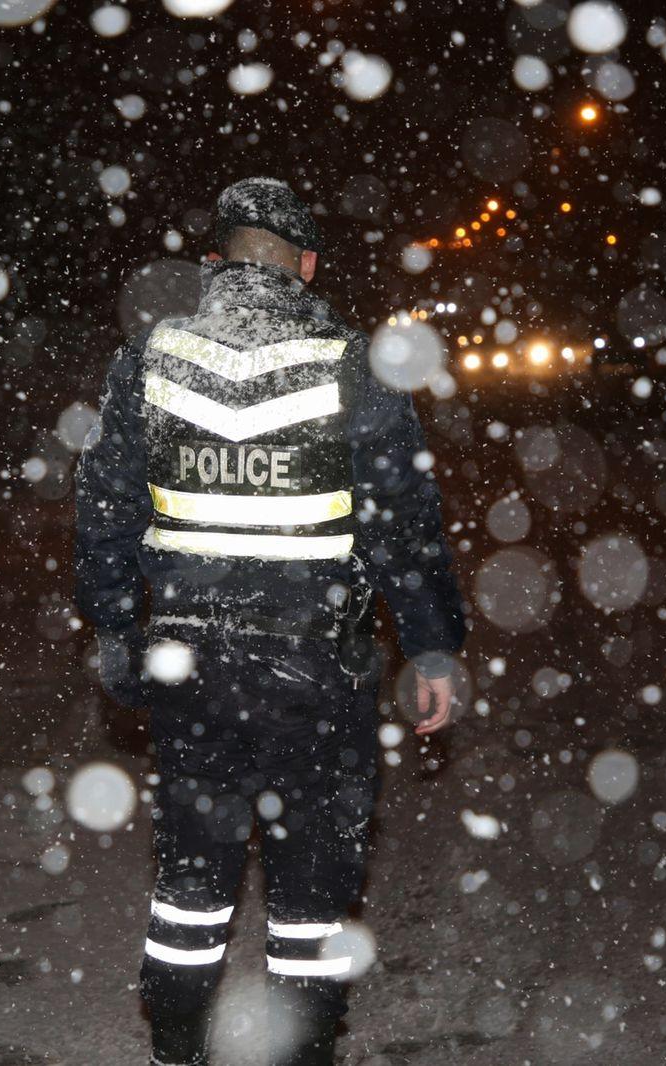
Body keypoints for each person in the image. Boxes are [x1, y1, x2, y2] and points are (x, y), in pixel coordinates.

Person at [75, 178, 466, 1066]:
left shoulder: (150, 359)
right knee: (312, 893)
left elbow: (101, 510)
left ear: (214, 261)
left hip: (189, 665)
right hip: (318, 672)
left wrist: (114, 630)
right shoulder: (353, 363)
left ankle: (176, 1047)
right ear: (309, 265)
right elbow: (403, 521)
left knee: (190, 887)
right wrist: (433, 644)